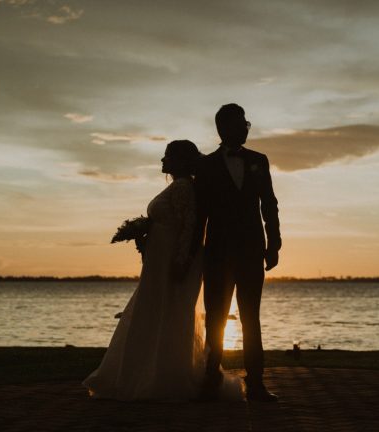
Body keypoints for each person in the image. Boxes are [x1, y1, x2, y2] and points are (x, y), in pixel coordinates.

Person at [83, 140, 243, 401]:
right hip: (159, 263)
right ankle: (145, 374)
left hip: (172, 263)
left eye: (167, 156)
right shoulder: (178, 187)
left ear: (180, 160)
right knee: (154, 314)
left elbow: (190, 226)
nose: (162, 160)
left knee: (169, 314)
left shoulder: (183, 187)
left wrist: (181, 261)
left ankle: (166, 378)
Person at [195, 104, 281, 402]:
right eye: (242, 122)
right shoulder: (205, 166)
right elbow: (200, 213)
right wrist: (195, 251)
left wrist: (274, 244)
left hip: (251, 251)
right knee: (215, 318)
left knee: (251, 317)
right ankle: (210, 378)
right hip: (217, 253)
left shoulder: (259, 160)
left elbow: (269, 204)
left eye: (247, 122)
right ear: (225, 128)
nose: (247, 127)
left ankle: (256, 383)